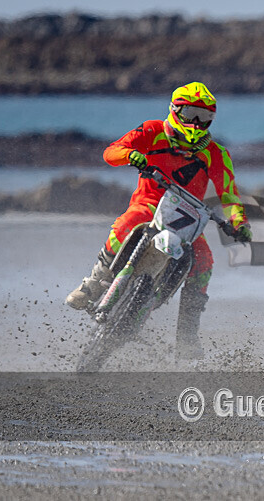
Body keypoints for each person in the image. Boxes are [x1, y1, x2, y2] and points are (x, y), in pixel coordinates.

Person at [65, 82, 252, 358]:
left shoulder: (216, 154)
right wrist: (130, 155)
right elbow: (111, 152)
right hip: (148, 206)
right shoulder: (153, 131)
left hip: (187, 220)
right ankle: (93, 283)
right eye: (190, 114)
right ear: (175, 110)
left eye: (204, 117)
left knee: (204, 262)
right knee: (125, 223)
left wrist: (239, 223)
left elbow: (230, 194)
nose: (196, 123)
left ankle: (187, 336)